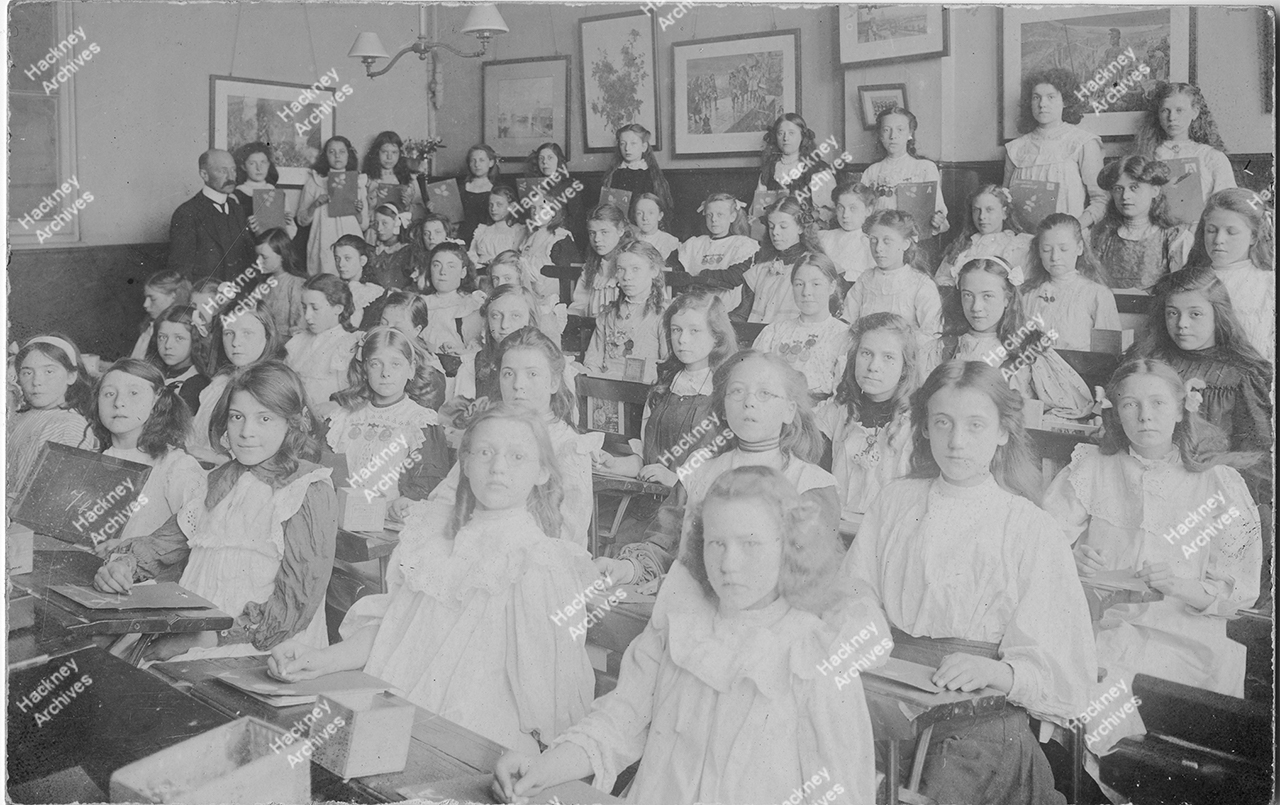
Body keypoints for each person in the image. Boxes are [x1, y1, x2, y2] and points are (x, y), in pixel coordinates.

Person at [493, 466, 878, 805]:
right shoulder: (682, 623)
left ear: (790, 547)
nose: (729, 564)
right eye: (717, 543)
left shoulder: (814, 653)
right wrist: (542, 768)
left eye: (750, 543)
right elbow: (619, 721)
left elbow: (840, 790)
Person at [268, 405, 598, 756]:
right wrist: (323, 659)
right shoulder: (431, 536)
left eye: (517, 456)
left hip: (477, 739)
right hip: (397, 714)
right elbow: (391, 628)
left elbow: (549, 694)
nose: (498, 467)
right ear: (465, 463)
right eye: (485, 452)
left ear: (542, 471)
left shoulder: (539, 562)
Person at [843, 360, 1096, 805]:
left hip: (979, 716)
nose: (956, 441)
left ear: (1003, 432)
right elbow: (856, 592)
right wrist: (869, 638)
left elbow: (1062, 667)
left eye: (975, 425)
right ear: (925, 428)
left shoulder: (1029, 526)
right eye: (943, 422)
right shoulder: (896, 501)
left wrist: (998, 671)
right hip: (888, 694)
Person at [1043, 359, 1261, 757]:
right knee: (1083, 687)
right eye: (1131, 404)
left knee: (1164, 733)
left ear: (1180, 409)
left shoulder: (1219, 483)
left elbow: (1239, 593)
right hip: (1107, 630)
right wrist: (1071, 559)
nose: (1145, 416)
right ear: (1115, 411)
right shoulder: (1091, 468)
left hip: (1187, 640)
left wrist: (1180, 585)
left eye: (1158, 403)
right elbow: (1040, 543)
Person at [94, 362, 337, 664]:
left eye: (264, 419)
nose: (246, 432)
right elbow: (163, 544)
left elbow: (294, 606)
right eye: (237, 417)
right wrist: (124, 565)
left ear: (292, 423)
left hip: (259, 646)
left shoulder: (307, 488)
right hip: (191, 629)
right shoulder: (217, 480)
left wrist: (202, 638)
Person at [599, 350, 836, 590]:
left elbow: (805, 576)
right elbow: (664, 543)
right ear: (722, 407)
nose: (749, 402)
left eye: (764, 393)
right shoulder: (699, 472)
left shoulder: (810, 484)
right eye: (737, 391)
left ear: (789, 410)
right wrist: (627, 569)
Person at [404, 327, 600, 550]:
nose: (518, 385)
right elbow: (447, 496)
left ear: (554, 382)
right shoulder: (487, 434)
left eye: (532, 374)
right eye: (508, 373)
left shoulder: (568, 447)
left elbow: (567, 536)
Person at [1132, 266, 1273, 508]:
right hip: (1150, 482)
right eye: (1172, 313)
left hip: (1213, 491)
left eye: (1195, 314)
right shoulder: (1151, 362)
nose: (1182, 324)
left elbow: (1256, 456)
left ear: (1218, 314)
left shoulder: (1242, 374)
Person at [943, 257, 1094, 419]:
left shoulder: (1029, 349)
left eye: (987, 296)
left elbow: (1073, 407)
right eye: (967, 295)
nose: (976, 307)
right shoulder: (943, 348)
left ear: (1007, 299)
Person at [88, 358, 206, 554]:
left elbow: (196, 533)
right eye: (109, 394)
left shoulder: (174, 465)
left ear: (156, 400)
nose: (118, 403)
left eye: (133, 393)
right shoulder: (92, 461)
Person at [324, 326, 449, 505]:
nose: (385, 373)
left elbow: (425, 485)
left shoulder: (419, 422)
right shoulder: (342, 418)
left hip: (390, 515)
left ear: (411, 369)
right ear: (365, 369)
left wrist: (403, 503)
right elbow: (326, 473)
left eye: (395, 364)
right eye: (376, 364)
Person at [815, 312, 919, 522]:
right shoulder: (834, 414)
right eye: (866, 353)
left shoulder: (915, 423)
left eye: (888, 357)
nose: (873, 366)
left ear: (905, 368)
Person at [690, 195, 821, 323]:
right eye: (771, 226)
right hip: (758, 334)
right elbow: (742, 313)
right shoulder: (761, 263)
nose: (775, 232)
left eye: (783, 226)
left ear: (800, 228)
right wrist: (715, 322)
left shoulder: (814, 265)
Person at [1004, 69, 1107, 227]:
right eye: (1036, 97)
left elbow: (1101, 200)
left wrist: (1074, 229)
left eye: (1051, 97)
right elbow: (1004, 200)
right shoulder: (1016, 148)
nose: (1042, 104)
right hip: (1020, 236)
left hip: (1068, 236)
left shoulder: (1082, 143)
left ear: (1065, 101)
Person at [843, 210, 943, 369]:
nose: (878, 248)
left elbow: (931, 334)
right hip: (866, 360)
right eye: (873, 240)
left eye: (887, 241)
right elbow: (847, 322)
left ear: (905, 244)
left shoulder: (920, 284)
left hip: (905, 362)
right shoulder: (865, 280)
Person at [1186, 188, 1276, 363]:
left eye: (1231, 232)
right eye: (1211, 230)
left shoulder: (1269, 285)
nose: (1218, 239)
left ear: (1253, 236)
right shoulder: (1189, 281)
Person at [189, 305, 288, 465]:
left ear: (267, 336)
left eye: (247, 333)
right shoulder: (221, 382)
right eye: (229, 333)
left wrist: (217, 459)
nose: (235, 342)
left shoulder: (273, 384)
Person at [7, 334, 99, 497]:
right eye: (27, 373)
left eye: (49, 371)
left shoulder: (70, 425)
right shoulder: (20, 417)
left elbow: (52, 497)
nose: (37, 381)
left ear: (71, 376)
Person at [752, 251, 850, 398]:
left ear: (831, 287)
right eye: (799, 284)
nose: (806, 292)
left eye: (816, 284)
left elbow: (843, 395)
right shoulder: (774, 332)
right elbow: (755, 378)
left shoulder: (843, 335)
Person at [1020, 213, 1120, 351]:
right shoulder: (1028, 294)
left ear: (1079, 248)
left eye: (1063, 249)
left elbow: (1108, 352)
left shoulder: (1098, 294)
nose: (1055, 257)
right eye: (1046, 250)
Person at [1092, 155, 1192, 290]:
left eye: (1134, 187)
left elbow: (1181, 288)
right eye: (1118, 189)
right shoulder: (1103, 234)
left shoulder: (1174, 236)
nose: (1125, 196)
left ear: (1155, 190)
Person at [1133, 82, 1236, 206]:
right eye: (1165, 110)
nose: (1172, 117)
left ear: (1194, 112)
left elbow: (1227, 203)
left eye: (1179, 110)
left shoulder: (1211, 156)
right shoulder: (1148, 154)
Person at [582, 240, 668, 382]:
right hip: (606, 389)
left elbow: (667, 368)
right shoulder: (609, 314)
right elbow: (593, 362)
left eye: (635, 269)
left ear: (654, 271)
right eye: (621, 269)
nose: (627, 277)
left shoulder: (663, 316)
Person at [166, 148, 256, 282]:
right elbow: (181, 269)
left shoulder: (237, 209)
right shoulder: (187, 213)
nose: (231, 177)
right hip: (206, 291)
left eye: (233, 170)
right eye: (222, 171)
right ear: (204, 174)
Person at [860, 107, 949, 239]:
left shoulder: (924, 168)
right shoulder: (872, 172)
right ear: (880, 135)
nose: (893, 136)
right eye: (886, 130)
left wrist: (938, 221)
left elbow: (938, 216)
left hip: (911, 241)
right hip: (878, 240)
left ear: (910, 133)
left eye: (900, 129)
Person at [670, 192, 760, 314]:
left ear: (732, 217)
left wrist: (699, 275)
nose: (714, 219)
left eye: (720, 214)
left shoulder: (742, 244)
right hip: (692, 307)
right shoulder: (694, 243)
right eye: (709, 215)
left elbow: (734, 277)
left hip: (726, 310)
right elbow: (672, 270)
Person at [286, 274, 360, 420]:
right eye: (304, 307)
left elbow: (357, 393)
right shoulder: (299, 341)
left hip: (331, 420)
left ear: (338, 308)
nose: (307, 316)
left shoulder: (348, 344)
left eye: (315, 308)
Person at [296, 136, 369, 276]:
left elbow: (364, 224)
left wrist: (357, 211)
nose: (337, 156)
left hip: (349, 238)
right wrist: (315, 205)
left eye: (342, 151)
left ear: (349, 154)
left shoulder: (357, 182)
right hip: (323, 240)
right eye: (332, 152)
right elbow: (301, 220)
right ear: (325, 156)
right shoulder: (315, 181)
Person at [936, 185, 1032, 288]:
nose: (982, 216)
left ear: (1004, 213)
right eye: (976, 210)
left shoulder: (1017, 247)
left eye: (989, 209)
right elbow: (941, 280)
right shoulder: (964, 246)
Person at [145, 304, 212, 416]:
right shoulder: (159, 372)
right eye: (162, 337)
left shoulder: (194, 384)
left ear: (194, 341)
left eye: (179, 338)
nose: (168, 345)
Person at [568, 203, 634, 317]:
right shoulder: (592, 267)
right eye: (592, 233)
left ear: (620, 231)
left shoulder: (631, 264)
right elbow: (580, 306)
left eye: (604, 232)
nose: (597, 239)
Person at [600, 124, 674, 220]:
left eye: (633, 143)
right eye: (622, 143)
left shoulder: (652, 176)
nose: (627, 148)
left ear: (644, 146)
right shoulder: (613, 174)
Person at [361, 130, 424, 240]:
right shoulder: (367, 179)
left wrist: (408, 206)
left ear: (400, 154)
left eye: (394, 152)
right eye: (384, 152)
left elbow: (421, 212)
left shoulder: (409, 179)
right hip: (376, 232)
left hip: (402, 233)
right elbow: (362, 215)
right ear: (377, 153)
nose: (389, 157)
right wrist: (371, 203)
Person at [234, 141, 297, 238]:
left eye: (263, 162)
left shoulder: (276, 192)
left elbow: (291, 232)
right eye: (252, 163)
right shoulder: (237, 194)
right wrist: (246, 227)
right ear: (243, 166)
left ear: (268, 164)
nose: (259, 168)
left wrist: (287, 223)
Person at [252, 228, 307, 337]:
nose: (258, 261)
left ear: (282, 256)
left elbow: (299, 330)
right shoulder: (262, 286)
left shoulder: (296, 284)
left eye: (264, 257)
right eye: (257, 256)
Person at [818, 182, 876, 285]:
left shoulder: (869, 244)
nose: (845, 215)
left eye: (853, 208)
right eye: (841, 208)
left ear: (868, 211)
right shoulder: (824, 237)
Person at [131, 270, 192, 359]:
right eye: (146, 298)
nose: (145, 304)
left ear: (173, 297)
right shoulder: (149, 327)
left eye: (153, 299)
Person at [331, 235, 385, 329]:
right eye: (337, 259)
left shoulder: (373, 293)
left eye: (347, 259)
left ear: (362, 261)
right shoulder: (336, 287)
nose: (340, 264)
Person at [469, 186, 527, 268]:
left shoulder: (519, 230)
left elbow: (518, 258)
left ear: (512, 207)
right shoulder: (482, 229)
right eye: (491, 205)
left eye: (499, 205)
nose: (493, 209)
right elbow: (472, 254)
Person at [458, 144, 503, 246]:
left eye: (481, 160)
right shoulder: (460, 188)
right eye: (473, 160)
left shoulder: (498, 189)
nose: (477, 164)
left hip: (488, 238)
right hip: (463, 236)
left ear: (491, 162)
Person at [631, 192, 679, 259]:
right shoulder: (631, 238)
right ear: (635, 217)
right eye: (639, 213)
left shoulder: (669, 241)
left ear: (660, 216)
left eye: (651, 213)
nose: (645, 218)